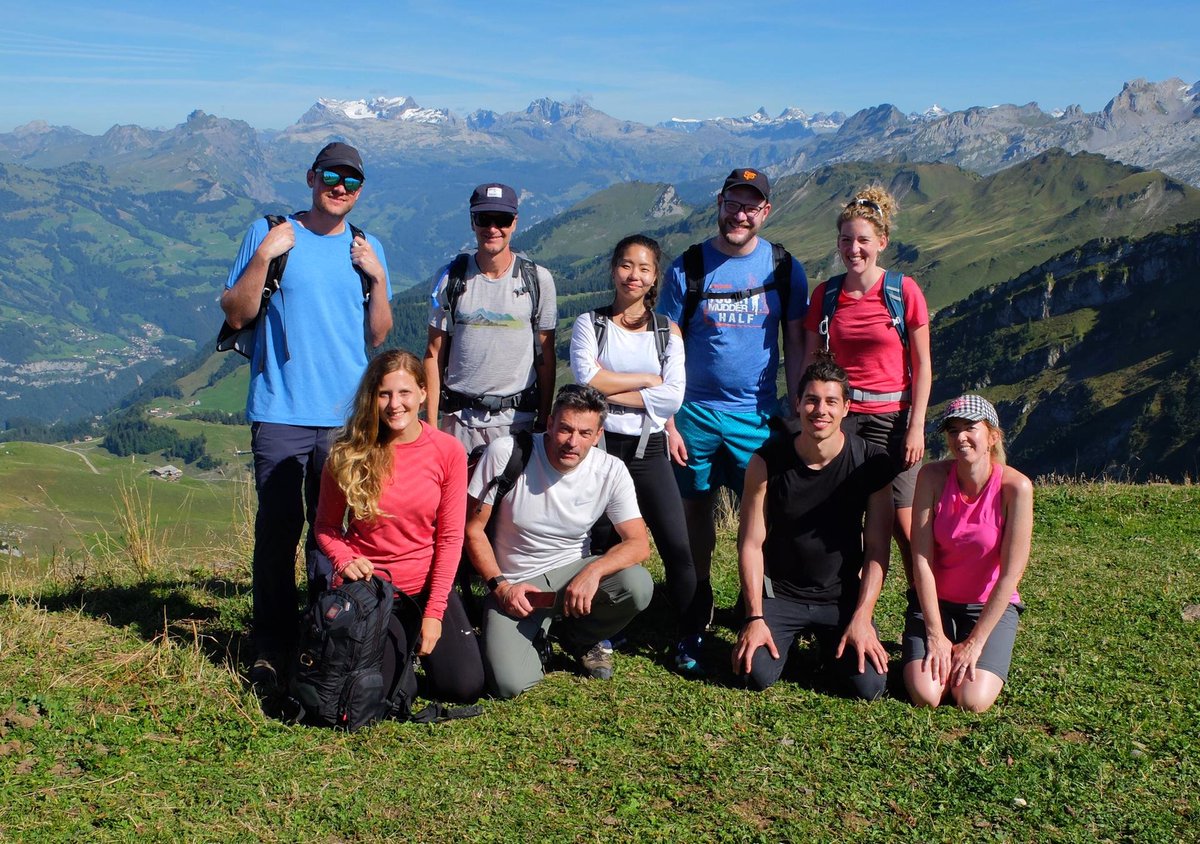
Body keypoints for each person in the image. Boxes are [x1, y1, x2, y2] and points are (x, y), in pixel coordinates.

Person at [221, 142, 393, 687]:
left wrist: (379, 278)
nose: (340, 187)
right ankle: (269, 643)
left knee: (332, 534)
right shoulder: (270, 232)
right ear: (311, 177)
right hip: (280, 408)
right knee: (277, 529)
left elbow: (378, 334)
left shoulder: (368, 247)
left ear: (360, 190)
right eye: (330, 176)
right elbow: (237, 310)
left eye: (351, 181)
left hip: (346, 416)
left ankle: (323, 633)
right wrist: (263, 256)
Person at [657, 168, 809, 628]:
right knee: (694, 506)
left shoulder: (784, 268)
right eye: (732, 204)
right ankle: (697, 592)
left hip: (757, 414)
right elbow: (667, 344)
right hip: (694, 413)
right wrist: (667, 418)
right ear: (719, 203)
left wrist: (798, 408)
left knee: (759, 510)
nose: (739, 215)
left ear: (765, 211)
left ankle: (755, 600)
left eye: (750, 207)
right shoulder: (689, 266)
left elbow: (797, 342)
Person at [314, 350, 484, 704]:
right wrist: (344, 559)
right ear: (371, 397)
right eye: (384, 394)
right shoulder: (348, 452)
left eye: (405, 392)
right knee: (372, 696)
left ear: (423, 393)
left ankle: (412, 645)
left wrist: (435, 612)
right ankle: (399, 660)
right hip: (370, 592)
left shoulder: (448, 451)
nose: (395, 404)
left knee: (465, 686)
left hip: (424, 586)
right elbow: (326, 527)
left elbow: (451, 538)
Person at [569, 235, 705, 673]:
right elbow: (586, 379)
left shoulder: (668, 331)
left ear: (654, 278)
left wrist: (611, 390)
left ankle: (689, 634)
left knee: (676, 546)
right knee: (601, 542)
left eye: (644, 269)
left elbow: (673, 399)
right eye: (626, 266)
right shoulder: (591, 324)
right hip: (602, 451)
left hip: (649, 451)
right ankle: (601, 628)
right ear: (613, 270)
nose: (634, 275)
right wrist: (647, 380)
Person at [465, 384, 654, 699]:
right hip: (516, 587)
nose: (572, 442)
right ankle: (540, 635)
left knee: (637, 584)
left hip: (573, 580)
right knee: (510, 684)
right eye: (565, 429)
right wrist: (501, 588)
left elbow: (638, 543)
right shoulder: (508, 453)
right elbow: (472, 529)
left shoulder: (610, 470)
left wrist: (593, 572)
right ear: (549, 423)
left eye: (584, 433)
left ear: (597, 435)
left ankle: (577, 637)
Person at [732, 358, 894, 699]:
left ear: (847, 407)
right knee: (753, 673)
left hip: (840, 596)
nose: (820, 410)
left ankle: (828, 647)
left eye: (831, 401)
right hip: (779, 593)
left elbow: (878, 550)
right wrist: (754, 617)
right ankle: (782, 636)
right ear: (798, 404)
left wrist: (863, 618)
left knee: (869, 686)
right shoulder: (766, 461)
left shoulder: (871, 462)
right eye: (812, 400)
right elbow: (749, 543)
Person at [801, 187, 931, 584]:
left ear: (882, 242)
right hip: (842, 420)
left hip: (893, 421)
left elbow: (923, 365)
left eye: (862, 240)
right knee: (839, 518)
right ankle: (843, 608)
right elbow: (811, 362)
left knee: (905, 526)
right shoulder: (826, 295)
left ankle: (922, 611)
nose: (853, 249)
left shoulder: (902, 291)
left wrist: (916, 426)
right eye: (846, 240)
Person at [903, 394, 1033, 712]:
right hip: (936, 605)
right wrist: (934, 632)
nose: (960, 437)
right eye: (952, 430)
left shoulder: (1016, 488)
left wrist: (975, 643)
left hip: (989, 608)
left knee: (971, 700)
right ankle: (940, 650)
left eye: (969, 427)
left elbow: (1011, 573)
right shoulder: (931, 478)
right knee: (926, 695)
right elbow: (921, 557)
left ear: (992, 436)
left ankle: (970, 652)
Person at [424, 182, 557, 452]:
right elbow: (434, 353)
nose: (493, 228)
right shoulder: (449, 278)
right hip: (458, 423)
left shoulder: (539, 280)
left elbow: (545, 354)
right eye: (484, 218)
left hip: (518, 423)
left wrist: (543, 420)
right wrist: (430, 425)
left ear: (515, 223)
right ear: (473, 221)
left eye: (502, 220)